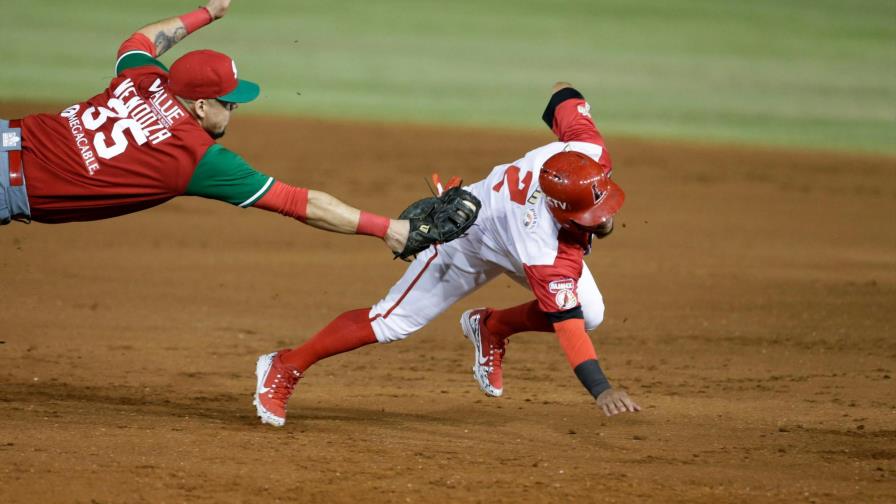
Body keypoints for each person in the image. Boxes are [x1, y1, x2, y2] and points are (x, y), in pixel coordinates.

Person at [253, 82, 641, 427]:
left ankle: (492, 326)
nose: (604, 216)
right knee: (392, 321)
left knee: (592, 312)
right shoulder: (545, 251)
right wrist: (601, 389)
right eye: (591, 213)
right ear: (558, 209)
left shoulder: (589, 150)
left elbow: (562, 95)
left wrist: (567, 93)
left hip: (511, 233)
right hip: (468, 237)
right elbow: (567, 328)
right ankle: (286, 364)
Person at [0, 0, 420, 255]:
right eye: (229, 103)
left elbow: (140, 40)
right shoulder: (196, 158)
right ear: (201, 106)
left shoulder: (144, 78)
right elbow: (300, 203)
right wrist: (388, 229)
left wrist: (208, 13)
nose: (234, 110)